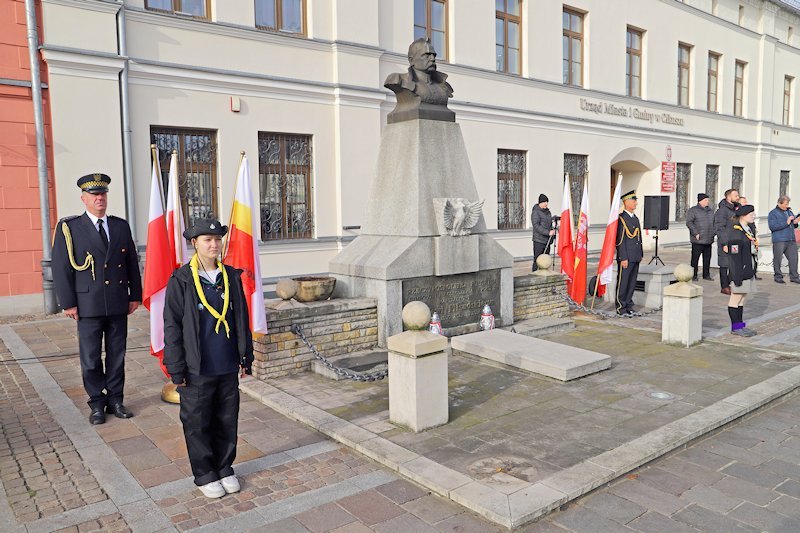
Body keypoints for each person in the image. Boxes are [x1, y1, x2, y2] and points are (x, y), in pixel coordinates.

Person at [163, 218, 254, 499]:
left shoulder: (230, 276)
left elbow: (241, 319)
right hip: (197, 366)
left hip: (225, 362)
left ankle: (224, 466)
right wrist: (176, 367)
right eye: (207, 240)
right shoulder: (182, 280)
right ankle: (204, 473)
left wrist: (245, 355)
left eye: (217, 239)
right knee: (198, 420)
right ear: (194, 244)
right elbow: (172, 325)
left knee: (227, 418)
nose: (214, 245)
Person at [51, 173, 142, 425]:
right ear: (84, 199)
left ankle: (115, 399)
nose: (99, 198)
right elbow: (61, 267)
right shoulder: (70, 228)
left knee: (117, 354)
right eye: (94, 195)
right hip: (87, 303)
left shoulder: (120, 225)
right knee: (90, 358)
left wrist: (134, 295)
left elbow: (131, 263)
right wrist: (68, 302)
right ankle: (96, 403)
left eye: (102, 194)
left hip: (116, 302)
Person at [726, 204, 758, 336]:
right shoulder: (736, 232)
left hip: (748, 268)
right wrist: (736, 275)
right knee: (735, 298)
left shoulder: (748, 229)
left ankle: (740, 325)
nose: (754, 216)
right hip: (739, 270)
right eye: (751, 215)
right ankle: (735, 327)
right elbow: (734, 257)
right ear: (743, 216)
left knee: (742, 298)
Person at [616, 190, 643, 315]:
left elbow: (638, 238)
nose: (636, 203)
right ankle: (621, 306)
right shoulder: (622, 219)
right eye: (634, 201)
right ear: (626, 202)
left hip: (635, 255)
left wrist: (640, 254)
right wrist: (623, 257)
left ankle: (628, 305)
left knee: (632, 282)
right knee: (624, 282)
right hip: (626, 256)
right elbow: (620, 240)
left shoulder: (635, 218)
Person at [767, 195, 800, 284]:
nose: (787, 205)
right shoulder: (773, 213)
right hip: (779, 239)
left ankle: (794, 277)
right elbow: (773, 227)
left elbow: (792, 225)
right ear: (779, 203)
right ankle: (778, 276)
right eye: (785, 204)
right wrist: (787, 222)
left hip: (791, 239)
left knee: (794, 258)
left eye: (788, 203)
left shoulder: (789, 211)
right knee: (778, 259)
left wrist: (795, 222)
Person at [714, 189, 740, 295]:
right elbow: (719, 227)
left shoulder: (736, 209)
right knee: (724, 265)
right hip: (726, 242)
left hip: (735, 241)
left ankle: (730, 283)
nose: (738, 197)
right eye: (736, 195)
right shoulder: (722, 211)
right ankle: (724, 287)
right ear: (728, 197)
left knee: (734, 264)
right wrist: (724, 243)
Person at [685, 193, 715, 281]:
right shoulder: (693, 210)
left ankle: (706, 275)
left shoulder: (710, 211)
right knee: (695, 258)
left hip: (709, 238)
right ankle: (693, 275)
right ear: (700, 201)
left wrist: (714, 233)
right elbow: (689, 223)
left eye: (708, 200)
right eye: (706, 200)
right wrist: (696, 233)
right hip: (698, 239)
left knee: (707, 258)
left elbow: (714, 222)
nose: (708, 202)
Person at [738, 196, 761, 280]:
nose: (745, 203)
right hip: (743, 253)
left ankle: (753, 273)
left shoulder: (748, 223)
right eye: (744, 202)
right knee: (739, 291)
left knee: (753, 260)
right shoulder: (738, 225)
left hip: (751, 243)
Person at [531, 194, 554, 271]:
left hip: (547, 241)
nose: (546, 203)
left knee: (546, 260)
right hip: (539, 241)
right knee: (538, 260)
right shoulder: (536, 212)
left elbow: (548, 222)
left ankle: (544, 275)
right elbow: (536, 226)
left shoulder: (548, 212)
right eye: (544, 202)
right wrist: (548, 232)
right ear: (540, 203)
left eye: (547, 202)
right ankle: (534, 275)